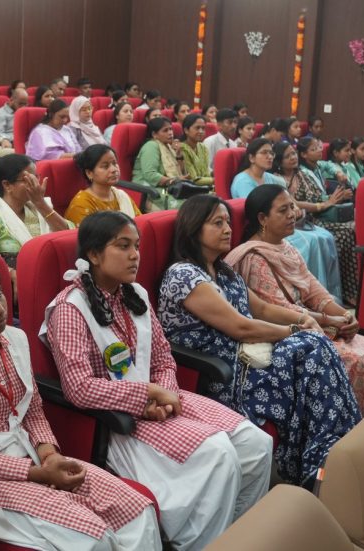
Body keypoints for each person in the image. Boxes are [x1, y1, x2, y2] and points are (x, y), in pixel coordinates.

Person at [44, 211, 272, 548]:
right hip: (118, 418)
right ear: (93, 254)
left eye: (136, 246)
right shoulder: (70, 309)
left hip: (163, 402)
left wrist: (163, 394)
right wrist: (146, 396)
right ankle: (204, 543)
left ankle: (235, 538)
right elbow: (79, 388)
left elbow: (163, 357)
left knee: (256, 446)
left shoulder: (134, 294)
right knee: (219, 454)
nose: (135, 255)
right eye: (123, 246)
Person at [0, 256, 161, 550]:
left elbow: (32, 409)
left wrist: (49, 454)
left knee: (138, 513)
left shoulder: (14, 340)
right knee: (95, 540)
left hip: (36, 459)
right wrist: (35, 473)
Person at [158, 194, 361, 487]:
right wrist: (295, 330)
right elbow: (241, 327)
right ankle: (325, 465)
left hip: (250, 357)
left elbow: (262, 309)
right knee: (312, 348)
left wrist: (305, 319)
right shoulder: (183, 275)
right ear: (193, 229)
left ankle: (330, 459)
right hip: (222, 373)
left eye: (228, 222)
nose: (228, 229)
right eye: (217, 223)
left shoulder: (223, 270)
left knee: (317, 348)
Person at [225, 185, 364, 415]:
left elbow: (313, 290)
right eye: (283, 210)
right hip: (283, 332)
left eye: (292, 207)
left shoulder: (286, 247)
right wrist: (329, 320)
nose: (293, 214)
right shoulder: (253, 257)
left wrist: (344, 315)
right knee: (352, 359)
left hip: (309, 322)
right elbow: (278, 309)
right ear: (262, 218)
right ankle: (348, 425)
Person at [236, 139, 345, 301]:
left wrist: (296, 209)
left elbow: (292, 202)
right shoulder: (242, 181)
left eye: (271, 153)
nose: (269, 156)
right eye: (264, 153)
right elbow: (255, 211)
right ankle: (304, 294)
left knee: (326, 236)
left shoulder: (272, 178)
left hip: (281, 222)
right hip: (265, 228)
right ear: (251, 157)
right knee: (312, 241)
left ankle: (325, 295)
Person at [0, 154, 72, 271]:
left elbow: (68, 237)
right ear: (7, 185)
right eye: (27, 180)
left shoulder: (38, 206)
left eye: (35, 178)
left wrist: (41, 203)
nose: (35, 184)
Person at [286, 138, 357, 304]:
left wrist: (338, 173)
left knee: (353, 229)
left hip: (322, 210)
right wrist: (335, 198)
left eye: (319, 147)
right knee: (345, 233)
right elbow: (311, 199)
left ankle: (350, 289)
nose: (319, 150)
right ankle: (338, 289)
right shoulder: (302, 172)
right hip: (314, 216)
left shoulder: (317, 166)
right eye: (314, 149)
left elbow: (328, 165)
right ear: (304, 154)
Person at [66, 144, 140, 226]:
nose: (114, 169)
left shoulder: (121, 196)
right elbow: (86, 234)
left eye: (114, 163)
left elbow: (139, 224)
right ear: (89, 173)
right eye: (105, 166)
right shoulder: (81, 204)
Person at [132, 118, 187, 211]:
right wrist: (173, 180)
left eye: (171, 129)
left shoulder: (168, 146)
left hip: (167, 186)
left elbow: (180, 173)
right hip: (150, 188)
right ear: (154, 134)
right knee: (184, 205)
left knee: (197, 197)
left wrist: (179, 155)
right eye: (165, 130)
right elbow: (150, 174)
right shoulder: (151, 146)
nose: (170, 133)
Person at [177, 114, 215, 186]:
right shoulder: (181, 148)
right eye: (197, 128)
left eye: (203, 128)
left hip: (206, 186)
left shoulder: (203, 147)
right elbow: (193, 179)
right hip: (190, 188)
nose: (201, 131)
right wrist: (215, 180)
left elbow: (206, 173)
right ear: (186, 130)